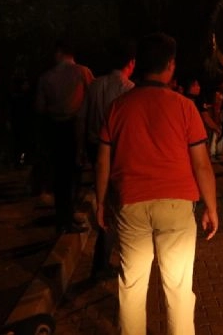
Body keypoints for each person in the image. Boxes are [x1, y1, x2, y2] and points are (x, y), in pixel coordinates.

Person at [95, 32, 218, 335]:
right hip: (176, 204)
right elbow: (202, 164)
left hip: (130, 203)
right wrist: (211, 207)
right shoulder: (185, 107)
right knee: (178, 289)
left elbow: (103, 162)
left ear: (138, 64)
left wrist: (101, 202)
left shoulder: (117, 108)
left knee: (132, 288)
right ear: (170, 65)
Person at [84, 41, 136, 280]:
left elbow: (82, 118)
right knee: (116, 206)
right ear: (131, 63)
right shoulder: (130, 89)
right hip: (117, 151)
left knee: (104, 200)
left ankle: (101, 261)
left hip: (94, 147)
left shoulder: (95, 85)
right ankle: (105, 262)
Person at [35, 39, 94, 234]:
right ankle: (68, 215)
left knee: (60, 175)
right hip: (76, 127)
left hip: (55, 128)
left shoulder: (46, 77)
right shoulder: (83, 72)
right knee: (74, 173)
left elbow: (40, 107)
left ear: (59, 52)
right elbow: (92, 98)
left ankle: (63, 217)